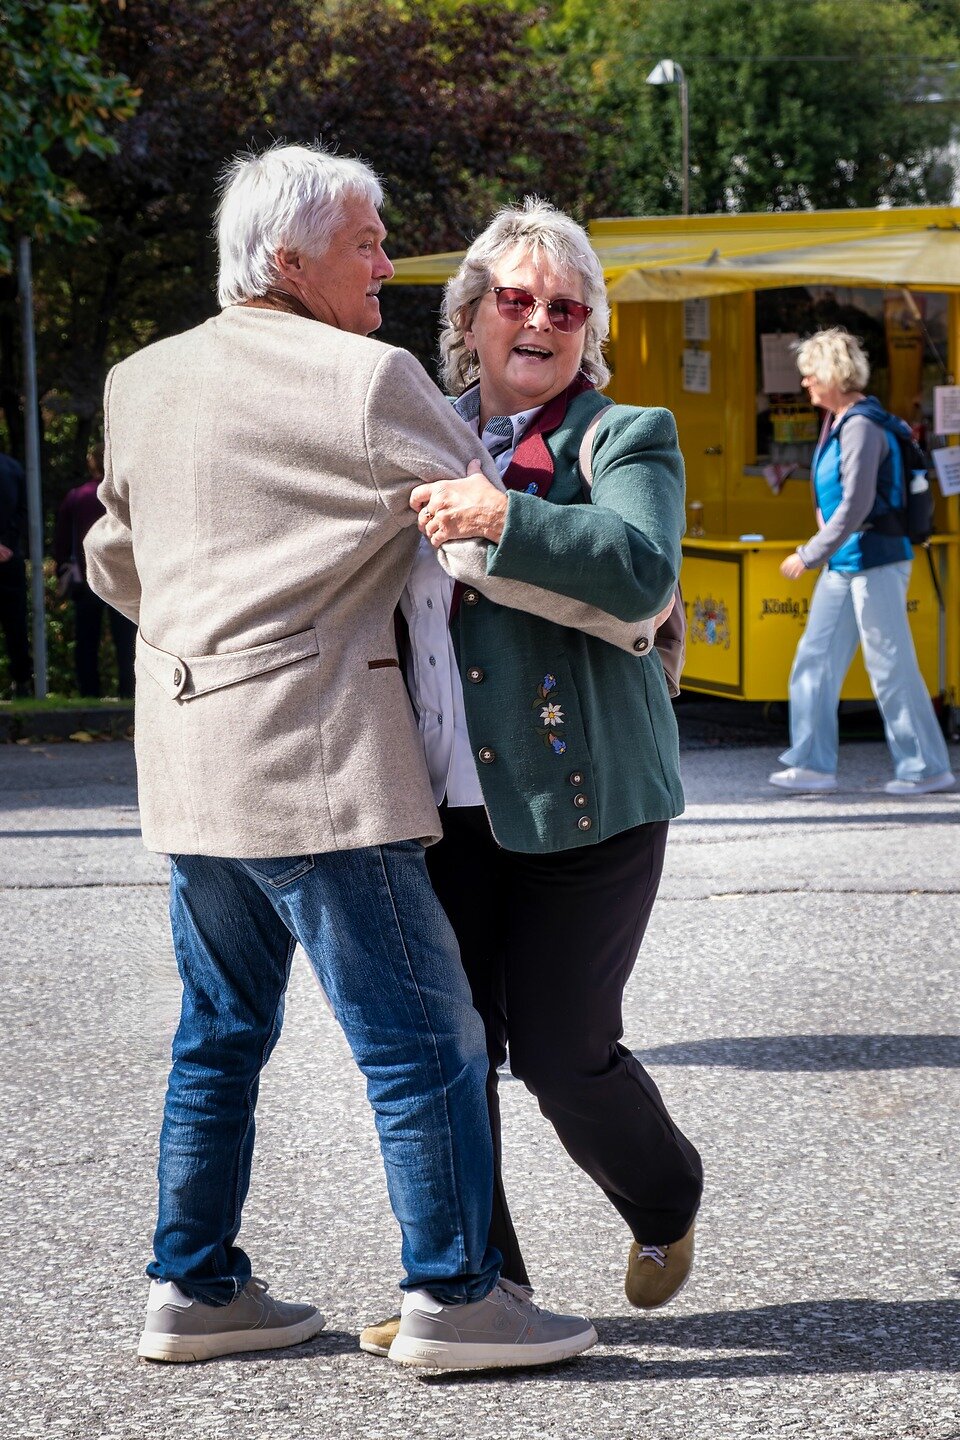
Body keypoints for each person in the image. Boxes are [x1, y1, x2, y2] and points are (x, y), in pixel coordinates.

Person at [84, 144, 597, 1373]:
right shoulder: (370, 379)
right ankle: (457, 1297)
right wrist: (638, 608)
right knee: (424, 1042)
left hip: (191, 761)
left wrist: (211, 642)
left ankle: (192, 1287)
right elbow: (482, 528)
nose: (385, 262)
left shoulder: (140, 378)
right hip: (318, 765)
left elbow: (112, 560)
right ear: (288, 259)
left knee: (219, 1033)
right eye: (365, 241)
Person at [360, 199, 702, 1358]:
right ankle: (475, 1289)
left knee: (563, 1056)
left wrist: (506, 515)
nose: (541, 321)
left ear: (589, 327)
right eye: (515, 299)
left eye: (566, 305)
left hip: (588, 806)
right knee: (450, 1059)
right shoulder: (408, 436)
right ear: (470, 317)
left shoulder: (625, 435)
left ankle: (666, 1196)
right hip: (434, 812)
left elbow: (641, 568)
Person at [769, 327, 954, 796]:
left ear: (833, 373)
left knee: (890, 665)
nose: (805, 382)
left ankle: (927, 768)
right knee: (815, 660)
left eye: (811, 373)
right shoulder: (843, 422)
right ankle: (812, 764)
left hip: (873, 559)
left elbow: (856, 504)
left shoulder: (861, 426)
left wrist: (810, 553)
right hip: (848, 561)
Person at [54, 448, 136, 697]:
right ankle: (129, 691)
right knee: (127, 641)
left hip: (86, 578)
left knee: (87, 641)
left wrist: (61, 568)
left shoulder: (77, 496)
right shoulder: (124, 495)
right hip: (124, 577)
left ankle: (89, 693)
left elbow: (61, 541)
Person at [0, 449, 33, 699]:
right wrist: (8, 543)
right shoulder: (14, 468)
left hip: (8, 555)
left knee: (16, 624)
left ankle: (21, 681)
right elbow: (24, 512)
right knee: (16, 624)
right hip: (10, 555)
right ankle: (22, 682)